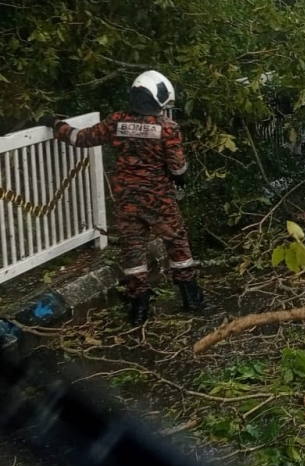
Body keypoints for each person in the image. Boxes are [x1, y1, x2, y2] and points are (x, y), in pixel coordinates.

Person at [40, 71, 203, 325]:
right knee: (177, 244)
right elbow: (178, 168)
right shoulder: (167, 128)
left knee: (133, 253)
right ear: (157, 97)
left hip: (127, 202)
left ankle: (139, 311)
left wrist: (54, 123)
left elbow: (79, 138)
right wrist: (181, 177)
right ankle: (191, 298)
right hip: (159, 201)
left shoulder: (115, 122)